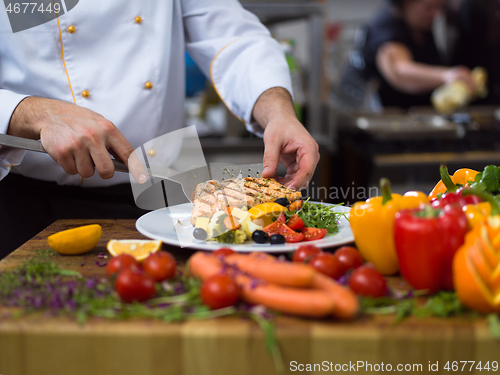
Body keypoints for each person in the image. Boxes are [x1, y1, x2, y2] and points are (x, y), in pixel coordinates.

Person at [0, 0, 319, 257]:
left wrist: (279, 111)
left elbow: (232, 37)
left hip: (165, 195)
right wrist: (27, 112)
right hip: (25, 201)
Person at [340, 0, 477, 109]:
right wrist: (447, 75)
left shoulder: (420, 27)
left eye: (440, 7)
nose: (436, 14)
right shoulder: (388, 26)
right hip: (377, 126)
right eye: (429, 7)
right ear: (406, 2)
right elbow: (398, 71)